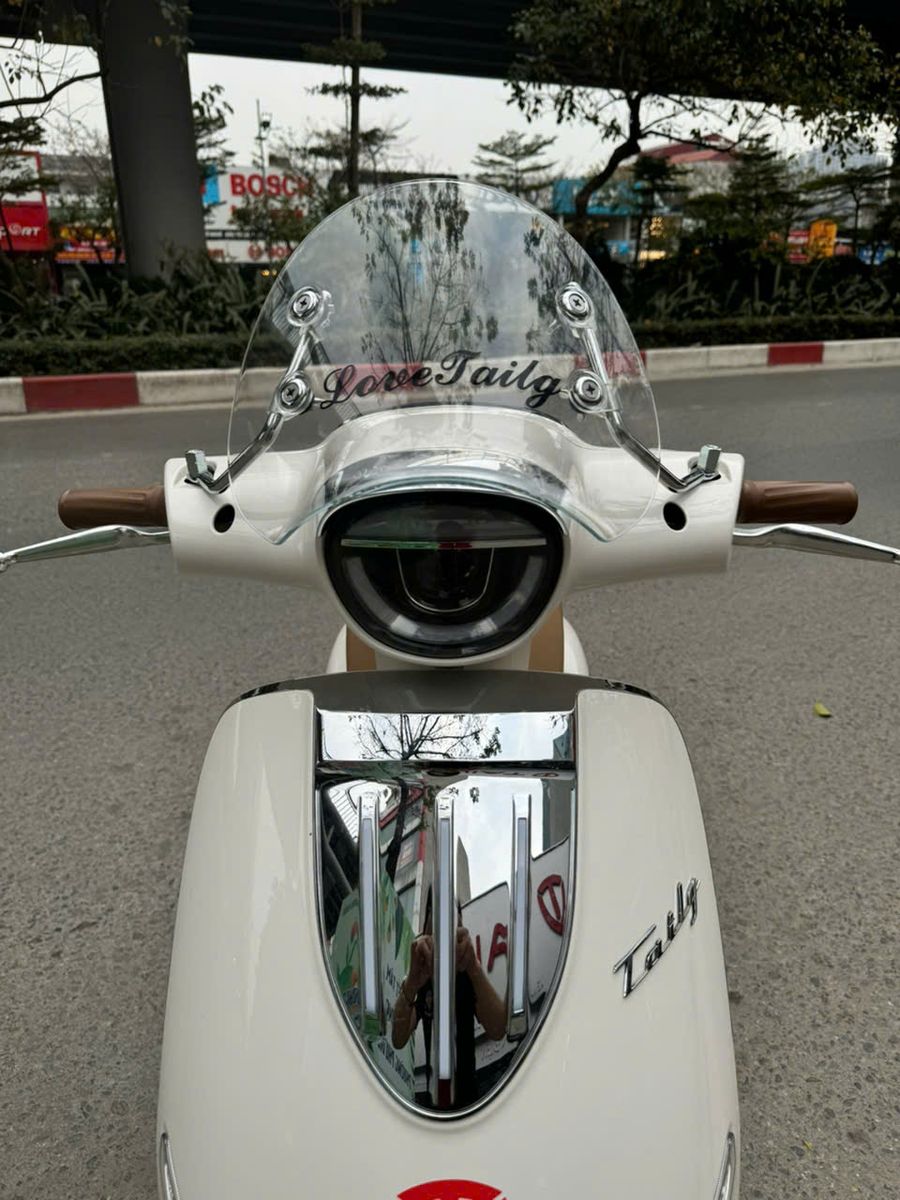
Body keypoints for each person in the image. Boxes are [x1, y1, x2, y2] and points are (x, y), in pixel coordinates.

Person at [392, 893, 507, 1108]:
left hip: (469, 1099)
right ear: (427, 926)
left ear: (459, 925)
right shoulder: (423, 977)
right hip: (433, 1101)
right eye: (435, 914)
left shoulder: (466, 972)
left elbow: (498, 1028)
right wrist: (412, 983)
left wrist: (473, 967)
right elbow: (398, 1038)